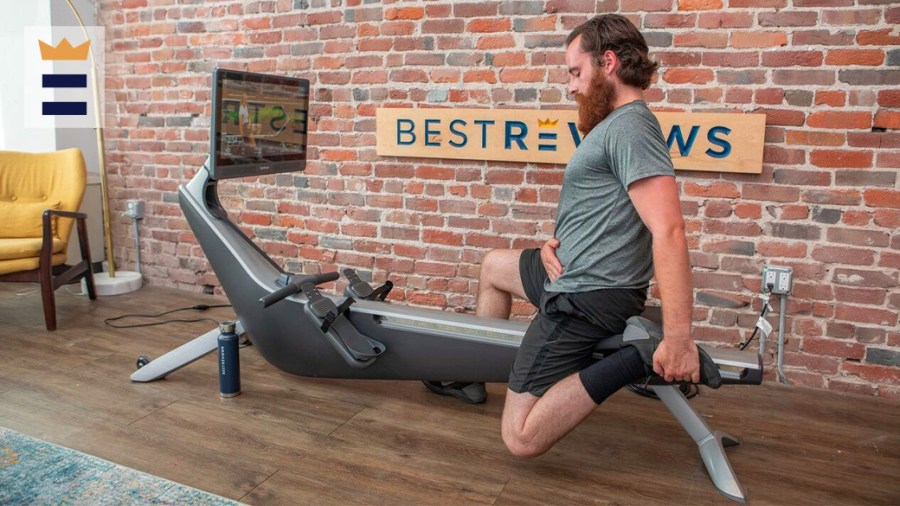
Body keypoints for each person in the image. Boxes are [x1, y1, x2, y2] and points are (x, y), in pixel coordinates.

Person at [425, 14, 703, 457]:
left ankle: (633, 359)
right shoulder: (615, 125)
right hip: (566, 267)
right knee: (494, 267)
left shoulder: (632, 127)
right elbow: (605, 210)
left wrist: (678, 340)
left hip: (587, 295)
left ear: (607, 62)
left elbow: (668, 229)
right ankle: (469, 374)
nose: (571, 86)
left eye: (576, 72)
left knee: (521, 438)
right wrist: (555, 242)